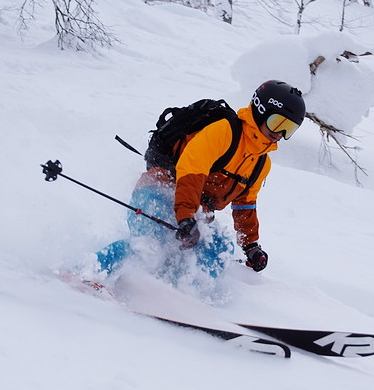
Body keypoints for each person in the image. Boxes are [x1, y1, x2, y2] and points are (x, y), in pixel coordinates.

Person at [95, 80, 306, 277]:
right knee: (150, 246)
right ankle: (92, 272)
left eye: (289, 129)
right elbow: (190, 171)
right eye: (278, 123)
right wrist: (186, 218)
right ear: (260, 112)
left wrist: (251, 246)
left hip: (194, 213)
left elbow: (245, 204)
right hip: (159, 190)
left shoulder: (261, 163)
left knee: (218, 254)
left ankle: (179, 296)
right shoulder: (223, 132)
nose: (281, 133)